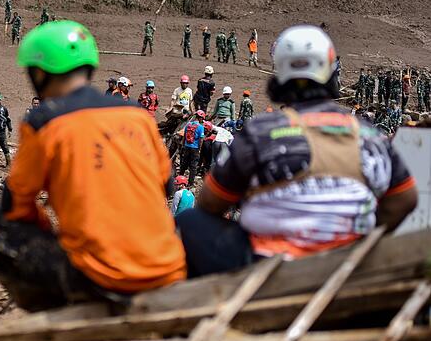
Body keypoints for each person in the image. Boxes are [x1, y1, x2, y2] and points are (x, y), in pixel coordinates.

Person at [0, 21, 186, 311]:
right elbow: (164, 184)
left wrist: (49, 233)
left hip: (100, 280)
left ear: (39, 73)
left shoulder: (44, 121)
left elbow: (15, 208)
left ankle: (50, 305)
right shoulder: (137, 114)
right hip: (167, 270)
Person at [177, 25, 418, 277]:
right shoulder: (370, 135)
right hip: (346, 263)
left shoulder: (261, 131)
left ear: (279, 73)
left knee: (189, 222)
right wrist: (365, 231)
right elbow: (406, 199)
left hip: (268, 266)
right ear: (331, 72)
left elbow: (210, 202)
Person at [179, 110, 206, 182]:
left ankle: (180, 177)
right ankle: (190, 183)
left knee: (184, 163)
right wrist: (199, 149)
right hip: (195, 148)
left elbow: (184, 136)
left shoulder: (188, 124)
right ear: (200, 118)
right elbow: (201, 139)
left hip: (187, 146)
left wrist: (183, 145)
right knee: (193, 166)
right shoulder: (201, 127)